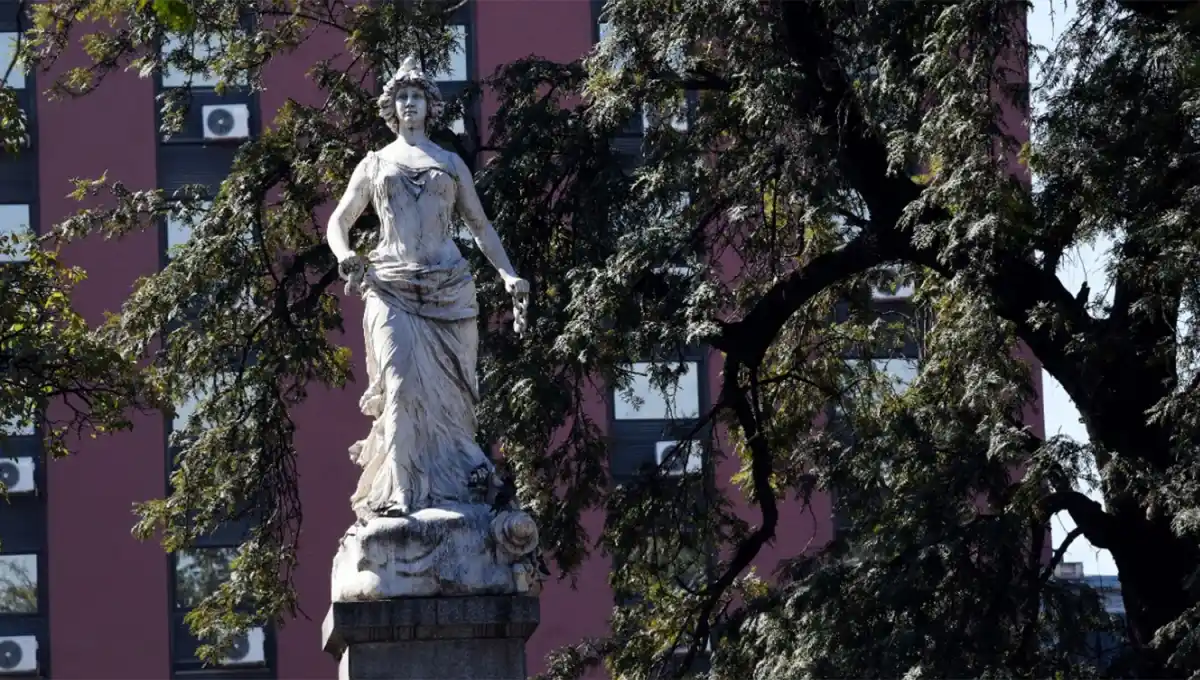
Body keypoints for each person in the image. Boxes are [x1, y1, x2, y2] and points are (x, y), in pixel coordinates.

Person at [325, 56, 529, 521]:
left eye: (417, 97)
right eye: (402, 97)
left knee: (454, 399)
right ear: (392, 108)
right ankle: (401, 492)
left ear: (430, 107)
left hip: (449, 290)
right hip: (390, 286)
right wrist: (344, 256)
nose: (410, 104)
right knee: (398, 387)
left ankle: (453, 488)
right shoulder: (375, 164)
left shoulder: (450, 163)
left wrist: (507, 273)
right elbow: (338, 221)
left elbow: (480, 227)